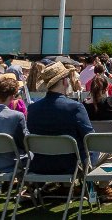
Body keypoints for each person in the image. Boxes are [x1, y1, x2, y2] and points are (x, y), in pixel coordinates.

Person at [26, 62, 100, 191]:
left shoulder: (32, 108)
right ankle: (103, 189)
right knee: (110, 153)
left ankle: (64, 187)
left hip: (40, 164)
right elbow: (90, 137)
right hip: (71, 164)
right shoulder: (75, 107)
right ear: (65, 81)